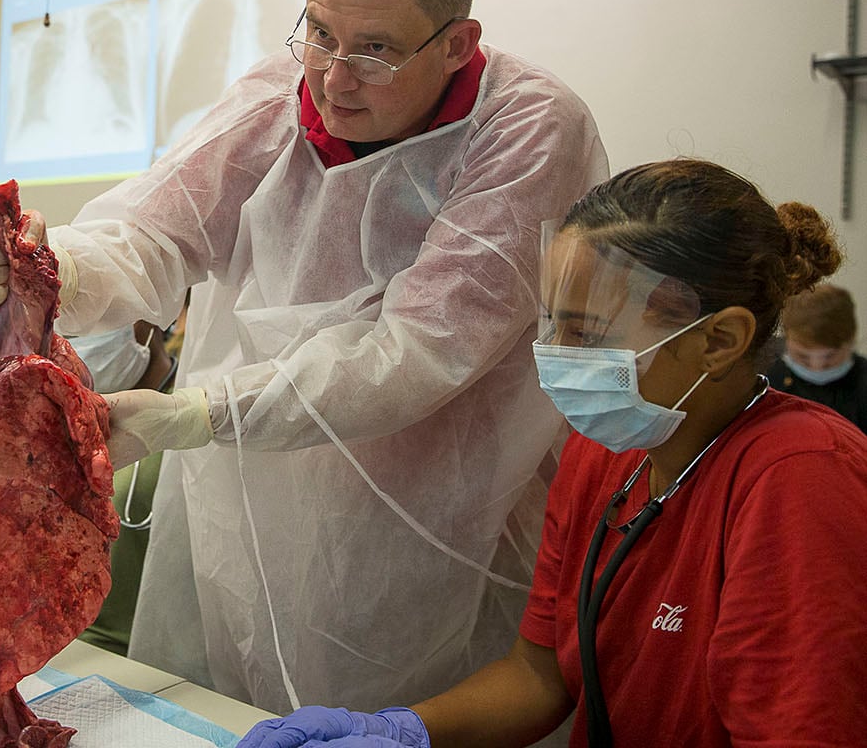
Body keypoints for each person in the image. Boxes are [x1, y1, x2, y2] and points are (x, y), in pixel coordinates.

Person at [0, 0, 609, 712]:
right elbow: (156, 231)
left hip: (433, 521)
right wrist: (51, 268)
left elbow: (417, 350)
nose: (335, 78)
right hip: (250, 507)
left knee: (399, 717)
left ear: (457, 45)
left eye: (376, 50)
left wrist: (200, 414)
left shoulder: (529, 129)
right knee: (225, 709)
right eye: (320, 34)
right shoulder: (275, 97)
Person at [237, 159, 867, 748]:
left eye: (587, 333)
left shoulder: (802, 479)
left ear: (720, 340)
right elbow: (542, 675)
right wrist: (401, 730)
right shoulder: (606, 452)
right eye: (554, 324)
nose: (558, 354)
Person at [71, 320, 177, 656]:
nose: (72, 341)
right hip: (45, 652)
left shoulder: (191, 427)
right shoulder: (55, 412)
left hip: (128, 661)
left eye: (99, 314)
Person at [766, 283, 867, 430]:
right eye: (803, 357)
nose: (817, 366)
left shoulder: (863, 385)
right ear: (786, 340)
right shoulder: (763, 379)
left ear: (851, 341)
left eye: (830, 357)